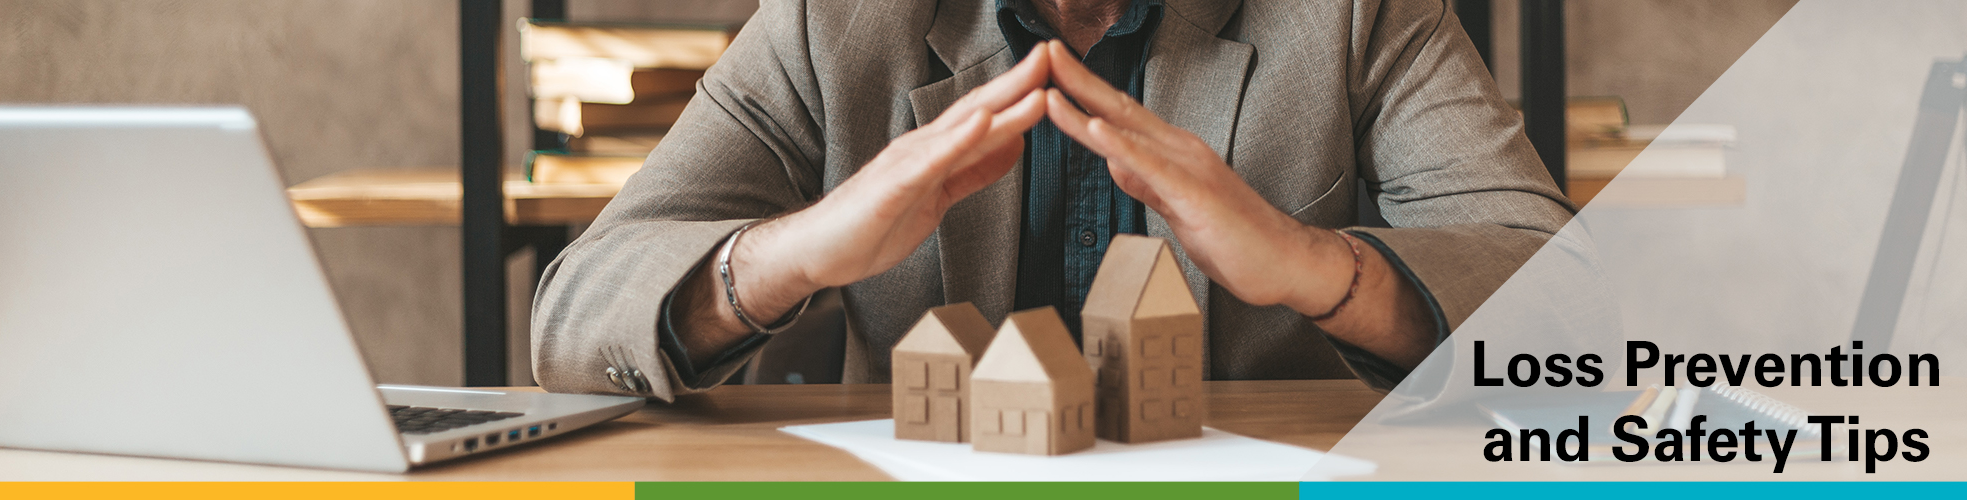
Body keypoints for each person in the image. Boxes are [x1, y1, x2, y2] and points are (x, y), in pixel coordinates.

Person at [531, 0, 1572, 402]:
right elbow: (576, 315)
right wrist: (793, 253)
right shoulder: (832, 19)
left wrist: (1312, 267)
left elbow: (1573, 319)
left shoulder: (1355, 12)